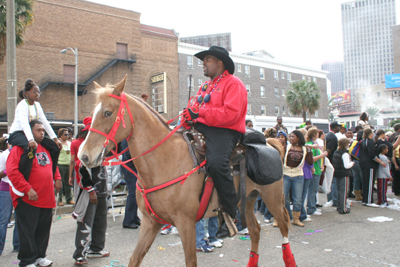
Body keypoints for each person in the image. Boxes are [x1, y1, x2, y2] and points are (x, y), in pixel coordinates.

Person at [182, 46, 247, 238]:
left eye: (208, 59)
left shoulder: (234, 84)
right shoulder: (206, 86)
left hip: (225, 131)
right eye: (204, 60)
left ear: (220, 63)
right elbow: (194, 109)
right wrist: (188, 116)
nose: (204, 63)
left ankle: (230, 215)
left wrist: (199, 113)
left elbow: (231, 114)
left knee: (217, 164)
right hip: (203, 127)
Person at [7, 120, 62, 267]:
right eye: (38, 130)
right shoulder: (20, 148)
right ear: (29, 132)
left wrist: (57, 178)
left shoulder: (46, 147)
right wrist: (26, 188)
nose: (42, 133)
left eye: (43, 130)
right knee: (27, 231)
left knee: (43, 230)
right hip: (28, 198)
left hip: (46, 196)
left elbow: (52, 165)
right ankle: (27, 260)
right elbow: (12, 171)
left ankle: (39, 256)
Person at [71, 117, 110, 265]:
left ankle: (96, 248)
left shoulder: (101, 145)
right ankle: (80, 253)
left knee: (100, 221)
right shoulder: (84, 146)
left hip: (102, 190)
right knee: (86, 222)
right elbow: (80, 169)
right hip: (89, 192)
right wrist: (90, 190)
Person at [8, 79, 62, 182]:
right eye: (35, 92)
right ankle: (24, 178)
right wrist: (31, 140)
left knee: (55, 148)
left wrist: (55, 138)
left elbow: (45, 122)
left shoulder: (37, 105)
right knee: (30, 148)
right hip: (17, 133)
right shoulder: (22, 105)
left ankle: (51, 174)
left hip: (31, 133)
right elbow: (24, 124)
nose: (37, 94)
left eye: (39, 92)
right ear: (26, 93)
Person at [282, 130, 313, 227]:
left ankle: (296, 219)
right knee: (283, 198)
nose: (290, 138)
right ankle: (284, 218)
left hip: (298, 176)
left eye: (293, 136)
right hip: (286, 174)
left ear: (299, 138)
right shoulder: (286, 147)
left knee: (298, 199)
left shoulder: (305, 149)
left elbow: (310, 162)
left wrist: (309, 152)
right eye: (290, 136)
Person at [0, 137, 19, 256]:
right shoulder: (4, 155)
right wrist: (10, 169)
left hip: (19, 189)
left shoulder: (24, 154)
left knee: (20, 220)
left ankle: (18, 245)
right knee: (3, 220)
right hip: (6, 189)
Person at [359, 128, 386, 207]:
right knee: (370, 183)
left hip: (363, 163)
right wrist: (381, 162)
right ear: (370, 134)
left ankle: (365, 199)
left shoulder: (363, 141)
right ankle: (369, 201)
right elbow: (372, 155)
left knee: (365, 182)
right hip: (370, 164)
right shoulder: (370, 142)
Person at [305, 128, 328, 216]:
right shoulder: (310, 145)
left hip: (318, 169)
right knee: (312, 190)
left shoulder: (314, 143)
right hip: (314, 170)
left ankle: (313, 207)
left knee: (313, 190)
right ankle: (311, 209)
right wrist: (322, 155)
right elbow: (311, 159)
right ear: (314, 134)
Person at [121, 139, 141, 229]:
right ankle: (128, 221)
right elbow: (128, 154)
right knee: (133, 193)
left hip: (133, 168)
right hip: (129, 168)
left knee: (136, 193)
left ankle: (134, 217)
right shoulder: (127, 140)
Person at [331, 138, 354, 214]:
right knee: (344, 192)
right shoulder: (345, 154)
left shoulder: (336, 152)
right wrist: (352, 163)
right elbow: (346, 166)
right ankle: (343, 208)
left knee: (339, 191)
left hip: (337, 173)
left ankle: (339, 206)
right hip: (344, 174)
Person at [325, 121, 341, 207]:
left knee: (330, 181)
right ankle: (334, 200)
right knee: (333, 182)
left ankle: (331, 199)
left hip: (329, 161)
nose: (339, 128)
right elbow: (329, 150)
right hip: (331, 162)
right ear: (335, 128)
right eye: (338, 127)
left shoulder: (328, 136)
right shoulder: (333, 137)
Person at [57, 128, 74, 206]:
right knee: (60, 183)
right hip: (60, 165)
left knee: (68, 183)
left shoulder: (70, 143)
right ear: (61, 135)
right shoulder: (58, 143)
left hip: (69, 165)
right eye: (65, 134)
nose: (67, 136)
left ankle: (69, 198)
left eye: (68, 134)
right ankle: (59, 199)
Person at [350, 131, 364, 201]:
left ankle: (356, 194)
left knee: (356, 179)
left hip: (353, 162)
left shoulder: (354, 142)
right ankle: (364, 193)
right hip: (360, 162)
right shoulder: (362, 142)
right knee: (363, 179)